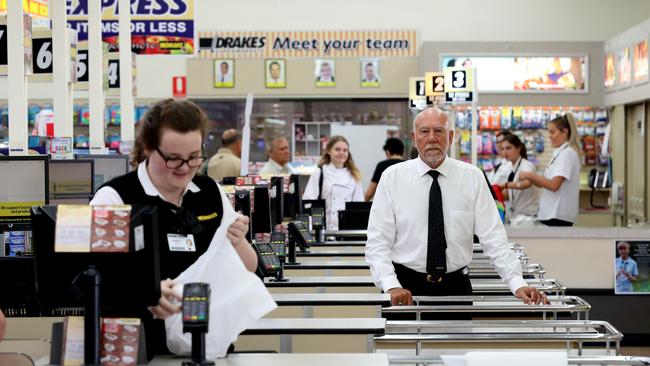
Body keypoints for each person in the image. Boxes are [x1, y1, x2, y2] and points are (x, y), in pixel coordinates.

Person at [90, 99, 258, 356]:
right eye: (173, 159)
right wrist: (145, 292)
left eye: (193, 157)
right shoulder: (115, 198)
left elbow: (248, 266)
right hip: (139, 349)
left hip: (205, 346)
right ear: (147, 147)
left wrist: (237, 241)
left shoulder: (208, 192)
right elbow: (89, 278)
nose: (185, 168)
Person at [365, 107, 547, 307]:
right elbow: (377, 242)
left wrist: (517, 282)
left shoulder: (472, 177)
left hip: (456, 289)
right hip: (404, 289)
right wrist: (390, 285)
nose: (432, 138)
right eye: (424, 132)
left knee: (458, 340)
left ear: (450, 137)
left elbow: (494, 238)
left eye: (439, 131)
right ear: (414, 138)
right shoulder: (393, 178)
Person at [518, 114, 581, 226]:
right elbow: (545, 184)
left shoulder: (567, 154)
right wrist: (531, 178)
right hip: (550, 214)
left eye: (553, 132)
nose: (550, 136)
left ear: (565, 132)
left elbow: (554, 185)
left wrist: (530, 175)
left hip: (558, 215)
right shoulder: (560, 153)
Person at [303, 136, 364, 230]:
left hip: (347, 230)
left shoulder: (354, 175)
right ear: (328, 151)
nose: (342, 153)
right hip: (323, 230)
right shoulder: (319, 172)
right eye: (337, 149)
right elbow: (308, 201)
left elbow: (358, 207)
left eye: (345, 150)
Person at [496, 133, 539, 218]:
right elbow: (509, 194)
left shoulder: (527, 166)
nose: (505, 152)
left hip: (527, 216)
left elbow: (527, 183)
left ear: (518, 148)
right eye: (503, 149)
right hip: (515, 216)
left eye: (508, 148)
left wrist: (505, 185)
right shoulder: (509, 167)